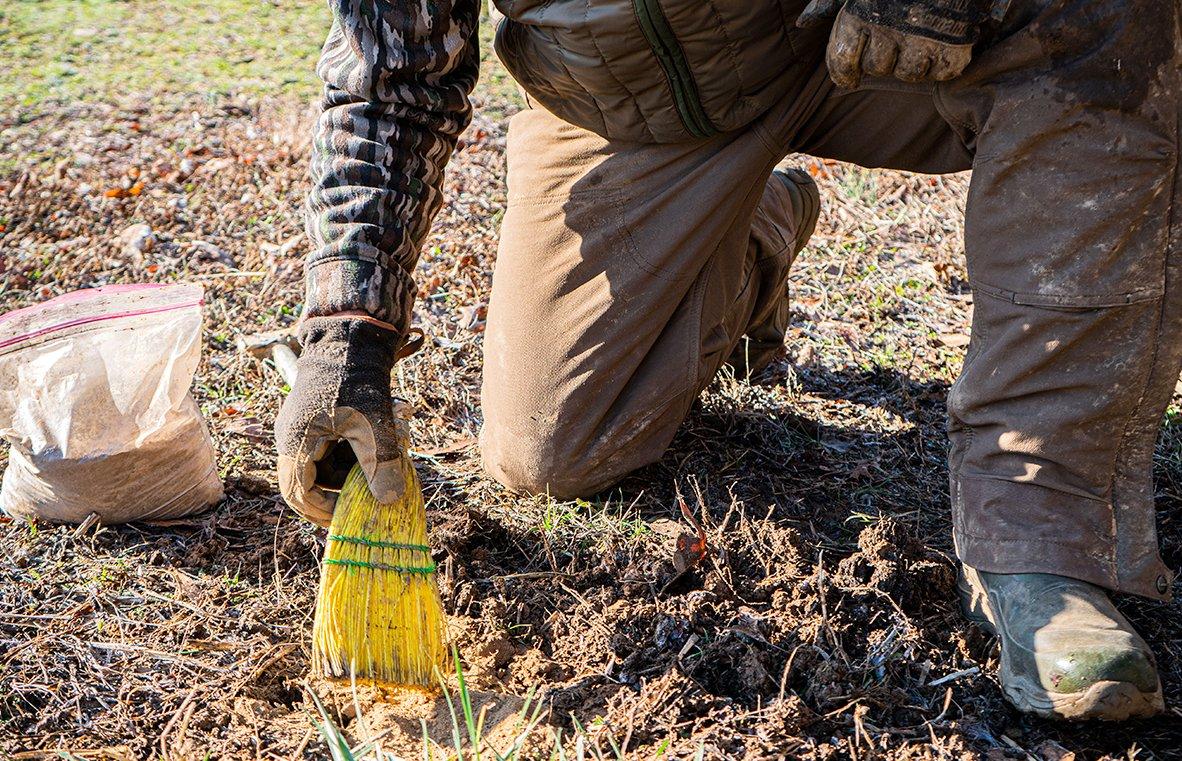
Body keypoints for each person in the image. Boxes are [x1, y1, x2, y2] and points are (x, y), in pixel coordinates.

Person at [274, 0, 1180, 721]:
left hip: (876, 37)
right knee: (553, 448)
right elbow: (387, 75)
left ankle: (1045, 532)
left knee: (1107, 21)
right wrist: (348, 333)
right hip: (634, 104)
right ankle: (753, 243)